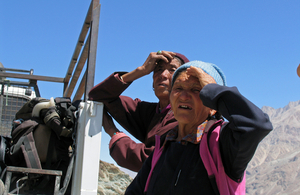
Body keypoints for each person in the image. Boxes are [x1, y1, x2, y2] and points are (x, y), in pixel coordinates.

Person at [125, 60, 273, 194]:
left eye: (197, 90)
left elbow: (257, 125)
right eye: (178, 88)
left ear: (213, 105)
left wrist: (212, 88)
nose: (183, 96)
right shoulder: (163, 145)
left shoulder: (222, 142)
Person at [88, 51, 189, 172]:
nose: (163, 75)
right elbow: (98, 95)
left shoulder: (186, 117)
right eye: (158, 69)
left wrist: (113, 132)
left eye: (172, 70)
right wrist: (141, 70)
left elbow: (153, 160)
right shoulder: (149, 112)